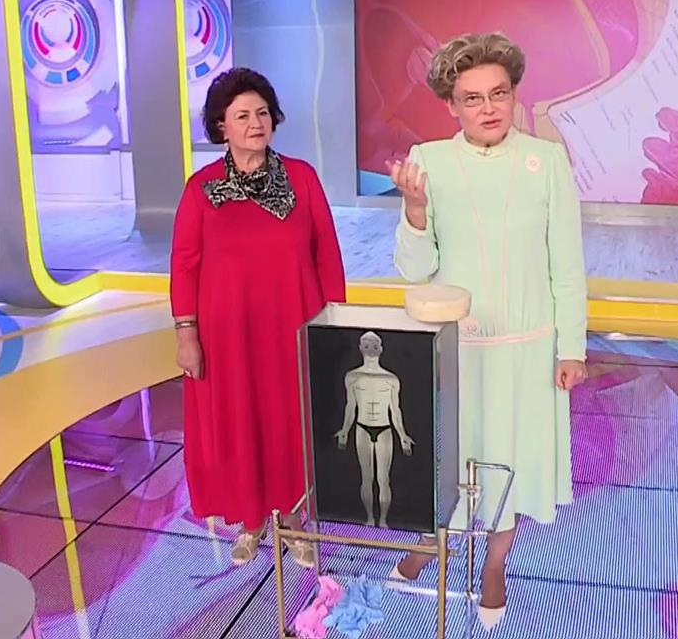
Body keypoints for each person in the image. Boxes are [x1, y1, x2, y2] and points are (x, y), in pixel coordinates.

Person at [386, 31, 589, 630]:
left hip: (527, 350)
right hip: (457, 349)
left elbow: (566, 263)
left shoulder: (546, 161)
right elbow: (414, 270)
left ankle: (495, 566)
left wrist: (572, 347)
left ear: (514, 94)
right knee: (448, 457)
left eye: (499, 93)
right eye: (472, 98)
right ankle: (435, 543)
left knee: (510, 462)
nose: (489, 108)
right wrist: (415, 213)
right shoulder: (428, 161)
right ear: (452, 106)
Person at [171, 67, 347, 568]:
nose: (256, 123)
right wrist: (187, 333)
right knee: (240, 422)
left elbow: (326, 254)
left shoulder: (302, 178)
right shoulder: (201, 188)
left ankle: (293, 519)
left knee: (292, 421)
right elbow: (184, 264)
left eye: (263, 113)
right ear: (221, 126)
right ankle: (250, 520)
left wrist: (333, 325)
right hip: (227, 336)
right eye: (243, 115)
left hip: (293, 326)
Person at [334, 331, 415, 528]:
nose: (370, 350)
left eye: (374, 346)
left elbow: (395, 409)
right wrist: (345, 430)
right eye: (367, 346)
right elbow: (350, 406)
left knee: (383, 478)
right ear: (360, 348)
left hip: (384, 429)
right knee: (366, 477)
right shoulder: (352, 377)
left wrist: (402, 434)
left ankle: (384, 519)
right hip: (362, 428)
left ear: (380, 349)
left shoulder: (391, 379)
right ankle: (370, 518)